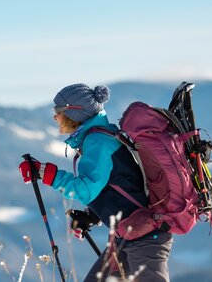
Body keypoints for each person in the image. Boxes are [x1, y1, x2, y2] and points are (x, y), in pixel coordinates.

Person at [19, 84, 173, 282]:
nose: (54, 117)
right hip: (128, 236)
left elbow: (84, 190)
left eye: (58, 111)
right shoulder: (98, 138)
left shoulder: (98, 142)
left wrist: (47, 174)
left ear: (76, 113)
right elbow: (121, 184)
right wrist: (93, 216)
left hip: (146, 238)